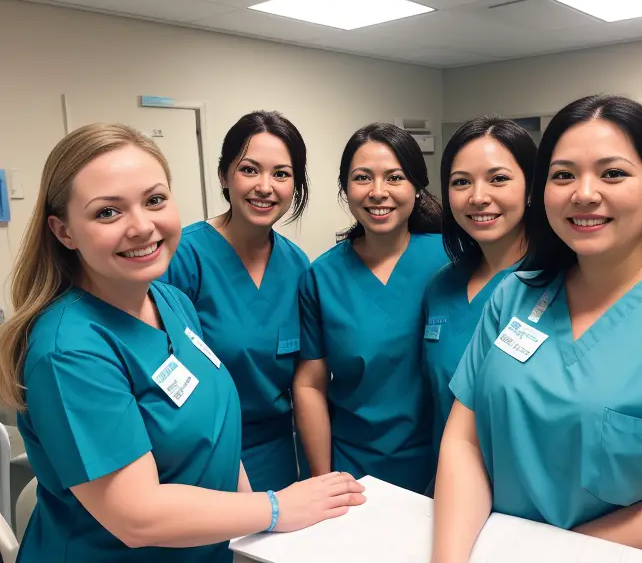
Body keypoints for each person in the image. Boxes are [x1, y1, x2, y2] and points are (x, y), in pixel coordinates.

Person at [0, 123, 364, 563]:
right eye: (107, 213)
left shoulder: (168, 300)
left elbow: (217, 426)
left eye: (154, 200)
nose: (141, 227)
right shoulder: (70, 352)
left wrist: (252, 523)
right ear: (64, 232)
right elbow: (138, 517)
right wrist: (275, 508)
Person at [432, 96, 642, 563]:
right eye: (563, 174)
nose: (584, 193)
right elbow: (464, 440)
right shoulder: (515, 295)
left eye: (612, 173)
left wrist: (551, 553)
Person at [294, 122, 447, 494]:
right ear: (346, 189)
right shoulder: (322, 276)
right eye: (363, 178)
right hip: (356, 471)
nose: (378, 193)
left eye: (394, 177)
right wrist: (323, 479)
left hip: (444, 463)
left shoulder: (451, 259)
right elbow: (310, 384)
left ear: (416, 186)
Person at [163, 111, 310, 491]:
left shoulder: (298, 266)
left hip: (277, 454)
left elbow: (306, 378)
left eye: (281, 173)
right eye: (249, 170)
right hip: (198, 454)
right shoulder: (183, 257)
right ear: (224, 175)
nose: (265, 186)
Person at [423, 116, 536, 460]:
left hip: (525, 499)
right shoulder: (443, 285)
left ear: (532, 188)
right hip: (445, 483)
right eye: (461, 182)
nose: (478, 197)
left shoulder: (558, 284)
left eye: (498, 179)